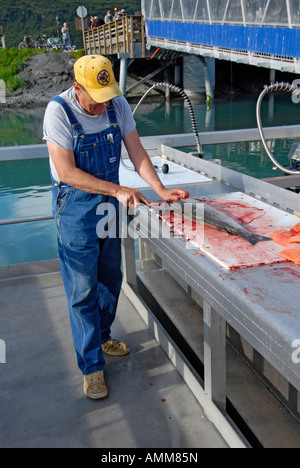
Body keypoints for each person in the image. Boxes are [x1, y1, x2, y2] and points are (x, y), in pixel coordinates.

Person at [43, 55, 189, 400]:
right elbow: (66, 172)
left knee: (110, 277)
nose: (102, 105)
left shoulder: (116, 104)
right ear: (77, 88)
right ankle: (92, 367)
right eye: (96, 98)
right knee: (82, 289)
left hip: (111, 203)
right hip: (76, 207)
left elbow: (137, 153)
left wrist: (161, 190)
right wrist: (118, 189)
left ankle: (104, 335)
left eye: (108, 96)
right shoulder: (58, 112)